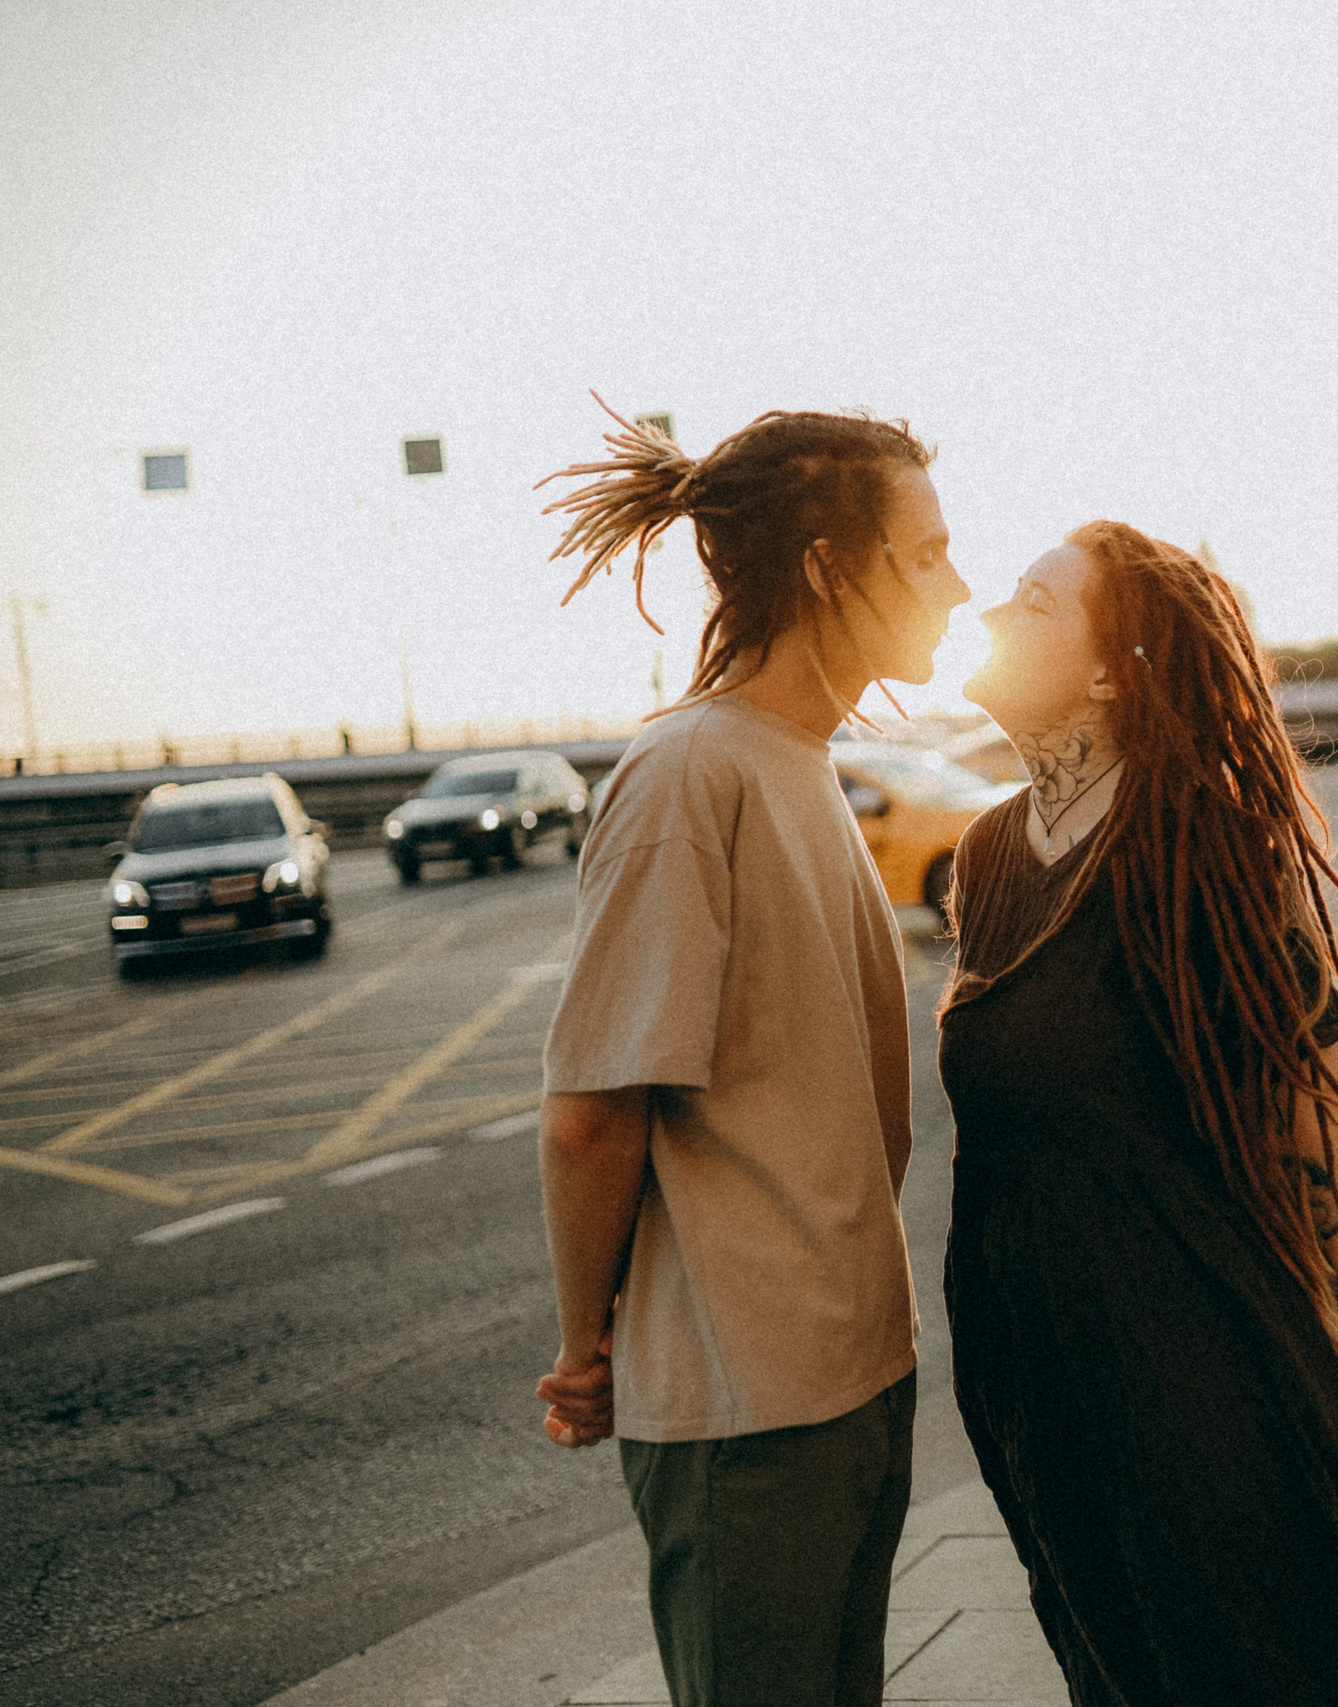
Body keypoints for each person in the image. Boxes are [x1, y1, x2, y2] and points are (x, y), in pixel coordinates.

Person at [939, 521, 1338, 1706]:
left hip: (1189, 1350)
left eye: (1033, 603)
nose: (987, 613)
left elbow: (1312, 1095)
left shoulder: (1202, 840)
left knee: (1254, 1662)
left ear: (1105, 673)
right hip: (1037, 1359)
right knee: (1117, 1663)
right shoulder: (986, 853)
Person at [531, 403, 968, 1707]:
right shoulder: (687, 774)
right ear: (829, 568)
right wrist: (584, 1351)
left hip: (845, 1379)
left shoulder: (798, 760)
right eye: (927, 553)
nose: (958, 586)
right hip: (747, 1412)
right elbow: (589, 1115)